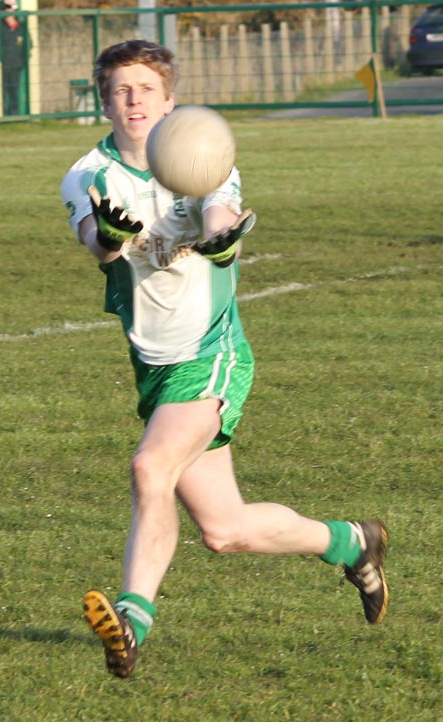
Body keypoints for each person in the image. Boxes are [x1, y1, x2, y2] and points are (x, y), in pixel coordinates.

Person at [61, 39, 389, 680]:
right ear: (104, 101)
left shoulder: (203, 150)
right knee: (226, 529)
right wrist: (110, 233)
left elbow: (219, 216)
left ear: (169, 98)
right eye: (121, 90)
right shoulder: (88, 175)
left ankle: (132, 619)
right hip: (154, 366)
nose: (134, 100)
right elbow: (95, 243)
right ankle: (352, 541)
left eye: (146, 89)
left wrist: (221, 240)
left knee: (150, 466)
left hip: (211, 354)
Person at [0, 0, 26, 116]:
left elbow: (28, 43)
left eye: (13, 6)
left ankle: (14, 116)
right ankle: (2, 116)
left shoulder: (21, 27)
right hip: (1, 65)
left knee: (14, 91)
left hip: (16, 65)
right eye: (8, 6)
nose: (11, 9)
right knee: (1, 92)